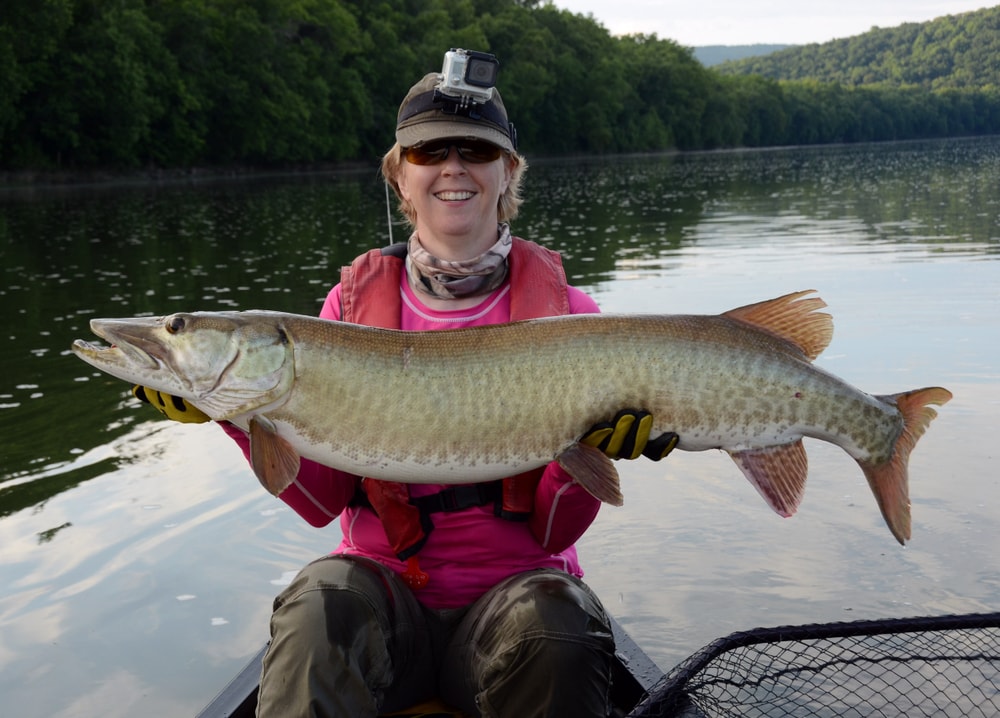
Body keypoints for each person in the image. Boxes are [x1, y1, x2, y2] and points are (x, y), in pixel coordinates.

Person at [136, 51, 677, 718]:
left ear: (508, 171)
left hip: (515, 608)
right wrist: (235, 414)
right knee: (314, 608)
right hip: (383, 603)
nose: (452, 165)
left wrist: (588, 453)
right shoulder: (344, 311)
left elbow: (555, 526)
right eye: (429, 152)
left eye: (475, 149)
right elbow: (319, 503)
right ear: (401, 175)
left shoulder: (570, 318)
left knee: (559, 628)